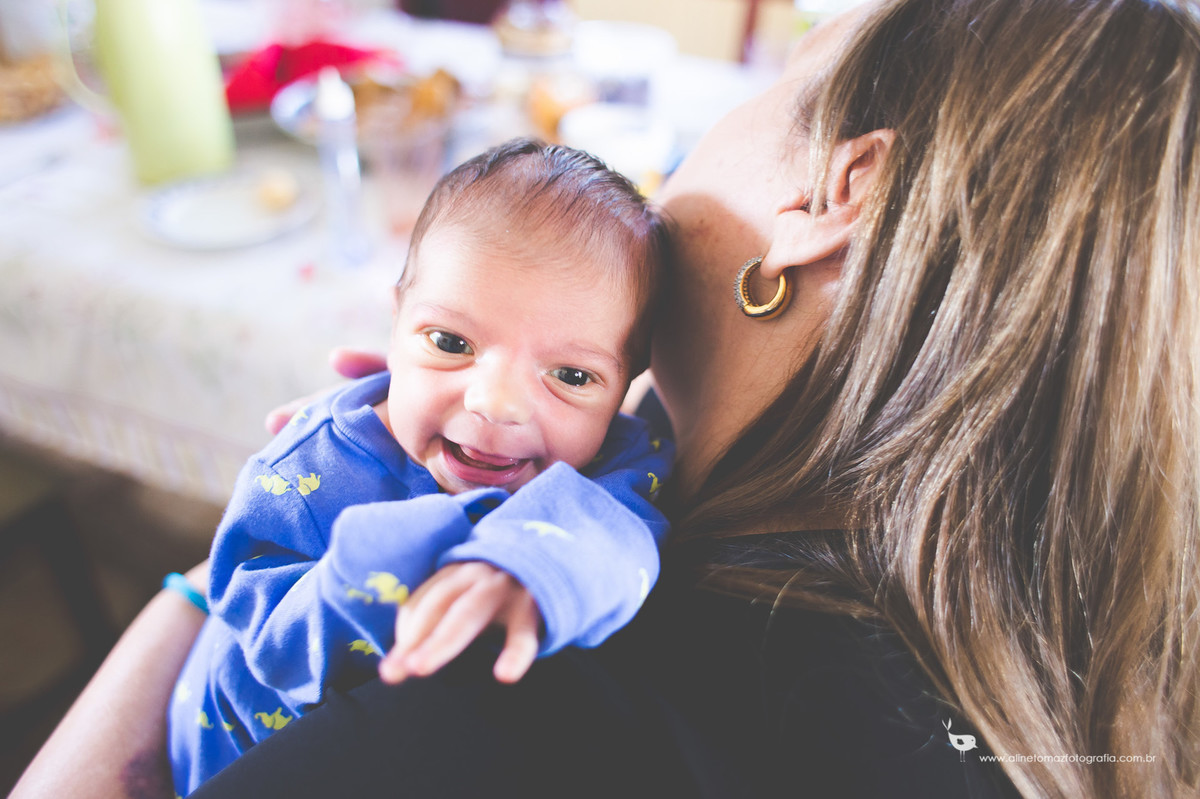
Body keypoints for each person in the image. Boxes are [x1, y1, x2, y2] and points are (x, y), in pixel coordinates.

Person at [13, 0, 1200, 796]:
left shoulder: (508, 672)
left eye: (785, 76)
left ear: (840, 191)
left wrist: (223, 571)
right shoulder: (1039, 668)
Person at [166, 139, 673, 794]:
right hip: (232, 752)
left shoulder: (615, 458)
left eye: (573, 375)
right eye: (451, 342)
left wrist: (526, 559)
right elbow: (263, 633)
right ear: (396, 322)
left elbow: (622, 527)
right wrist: (400, 560)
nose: (495, 402)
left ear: (625, 384)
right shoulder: (310, 463)